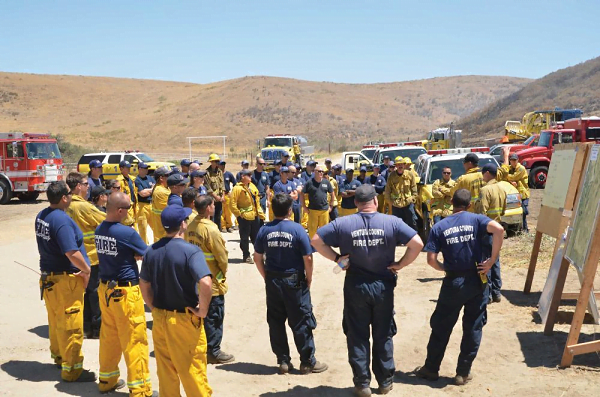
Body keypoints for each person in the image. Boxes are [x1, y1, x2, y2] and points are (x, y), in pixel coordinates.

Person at [311, 184, 423, 397]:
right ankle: (384, 382)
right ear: (375, 201)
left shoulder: (343, 223)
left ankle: (362, 384)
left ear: (356, 203)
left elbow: (316, 240)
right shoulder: (392, 222)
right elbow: (417, 243)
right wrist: (400, 264)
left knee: (358, 335)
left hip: (356, 285)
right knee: (383, 333)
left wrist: (337, 258)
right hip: (383, 286)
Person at [415, 189, 504, 386]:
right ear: (469, 204)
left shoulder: (440, 226)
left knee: (441, 326)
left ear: (451, 203)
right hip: (478, 280)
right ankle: (462, 373)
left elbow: (431, 260)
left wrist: (445, 268)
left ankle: (431, 368)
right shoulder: (478, 219)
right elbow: (499, 230)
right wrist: (491, 261)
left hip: (453, 282)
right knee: (473, 326)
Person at [139, 205, 213, 397]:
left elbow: (143, 282)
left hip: (160, 319)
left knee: (166, 371)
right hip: (184, 320)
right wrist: (203, 311)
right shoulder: (190, 251)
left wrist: (152, 306)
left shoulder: (151, 251)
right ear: (182, 224)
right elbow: (205, 282)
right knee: (191, 370)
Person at [254, 193, 328, 375]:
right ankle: (307, 362)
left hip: (273, 280)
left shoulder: (264, 230)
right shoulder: (297, 230)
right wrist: (309, 278)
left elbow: (257, 257)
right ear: (289, 210)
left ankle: (283, 361)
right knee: (301, 321)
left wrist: (266, 276)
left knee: (276, 321)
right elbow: (308, 257)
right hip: (293, 280)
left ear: (272, 209)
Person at [35, 180, 96, 382]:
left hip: (50, 279)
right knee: (71, 325)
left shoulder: (42, 215)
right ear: (63, 198)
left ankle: (60, 357)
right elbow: (71, 252)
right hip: (65, 281)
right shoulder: (61, 221)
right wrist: (86, 269)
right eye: (69, 194)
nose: (71, 197)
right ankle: (72, 371)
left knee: (56, 321)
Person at [95, 192, 155, 396]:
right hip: (126, 293)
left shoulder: (100, 230)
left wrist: (131, 253)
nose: (129, 212)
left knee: (109, 338)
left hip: (106, 291)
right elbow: (148, 255)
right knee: (135, 340)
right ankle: (141, 389)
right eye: (128, 209)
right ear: (120, 210)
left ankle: (107, 380)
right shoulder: (126, 233)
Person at [186, 195, 235, 365]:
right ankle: (213, 351)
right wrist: (223, 271)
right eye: (213, 204)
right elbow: (221, 256)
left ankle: (202, 347)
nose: (214, 206)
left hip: (196, 279)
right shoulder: (211, 229)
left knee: (201, 315)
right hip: (211, 280)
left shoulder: (190, 225)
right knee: (214, 315)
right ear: (208, 208)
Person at [65, 172, 106, 339]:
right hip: (91, 256)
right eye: (85, 183)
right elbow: (107, 219)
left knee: (84, 293)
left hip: (74, 257)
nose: (88, 186)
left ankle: (86, 326)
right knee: (94, 293)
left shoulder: (66, 205)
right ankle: (97, 329)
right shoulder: (84, 207)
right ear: (78, 187)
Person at [475, 163, 506, 303]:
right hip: (498, 229)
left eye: (483, 173)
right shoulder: (502, 189)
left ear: (487, 173)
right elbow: (504, 210)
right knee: (495, 260)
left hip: (487, 231)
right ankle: (496, 292)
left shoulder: (485, 190)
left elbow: (482, 213)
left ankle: (487, 294)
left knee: (485, 261)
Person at [231, 169, 265, 263]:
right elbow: (232, 204)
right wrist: (239, 215)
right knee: (245, 238)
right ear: (242, 177)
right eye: (248, 175)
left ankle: (259, 254)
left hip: (255, 216)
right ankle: (246, 255)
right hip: (244, 217)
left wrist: (260, 214)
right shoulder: (237, 188)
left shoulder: (252, 186)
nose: (251, 176)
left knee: (256, 236)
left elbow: (257, 201)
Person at [384, 157, 418, 231]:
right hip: (396, 206)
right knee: (396, 225)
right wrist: (391, 202)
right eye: (398, 164)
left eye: (401, 164)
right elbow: (387, 191)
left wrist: (412, 199)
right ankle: (399, 241)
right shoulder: (391, 176)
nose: (400, 166)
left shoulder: (410, 175)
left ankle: (414, 239)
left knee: (412, 223)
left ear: (404, 165)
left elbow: (414, 189)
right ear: (395, 166)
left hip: (408, 204)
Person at [301, 164, 334, 238]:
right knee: (312, 230)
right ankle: (313, 246)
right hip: (312, 210)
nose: (321, 173)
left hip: (324, 210)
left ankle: (323, 245)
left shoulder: (326, 182)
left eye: (322, 171)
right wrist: (304, 207)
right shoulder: (309, 183)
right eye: (319, 171)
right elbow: (302, 194)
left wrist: (331, 206)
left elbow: (332, 193)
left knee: (324, 230)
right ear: (314, 172)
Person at [503, 150, 530, 232]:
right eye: (512, 160)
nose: (513, 162)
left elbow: (513, 177)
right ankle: (521, 229)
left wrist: (507, 176)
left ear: (518, 160)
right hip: (515, 195)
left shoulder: (521, 168)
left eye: (515, 160)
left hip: (523, 194)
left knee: (524, 211)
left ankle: (525, 229)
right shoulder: (510, 168)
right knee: (518, 213)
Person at [134, 162, 155, 244]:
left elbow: (155, 189)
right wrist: (151, 190)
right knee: (143, 228)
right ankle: (145, 246)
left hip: (151, 205)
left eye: (147, 168)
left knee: (155, 226)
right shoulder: (137, 180)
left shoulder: (150, 178)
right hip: (142, 206)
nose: (147, 170)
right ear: (139, 169)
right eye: (145, 168)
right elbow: (142, 194)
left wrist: (148, 190)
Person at [150, 167, 171, 243]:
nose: (170, 177)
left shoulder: (164, 188)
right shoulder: (161, 192)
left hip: (162, 228)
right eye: (168, 175)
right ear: (161, 178)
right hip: (162, 230)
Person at [205, 153, 225, 231]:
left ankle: (218, 231)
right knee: (211, 217)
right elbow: (208, 187)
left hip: (219, 199)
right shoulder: (207, 173)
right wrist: (215, 196)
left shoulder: (220, 172)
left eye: (217, 161)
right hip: (212, 199)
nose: (217, 163)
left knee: (218, 216)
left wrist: (222, 196)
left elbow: (222, 185)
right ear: (211, 162)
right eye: (215, 161)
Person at [116, 161, 138, 228]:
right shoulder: (119, 181)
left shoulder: (132, 179)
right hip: (126, 208)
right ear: (121, 168)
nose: (129, 169)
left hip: (134, 207)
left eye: (129, 167)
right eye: (127, 167)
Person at [220, 161, 236, 232]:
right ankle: (223, 226)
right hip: (219, 195)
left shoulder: (228, 174)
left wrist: (232, 192)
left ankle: (229, 226)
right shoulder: (217, 175)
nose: (222, 166)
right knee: (222, 212)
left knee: (228, 212)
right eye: (221, 164)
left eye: (223, 164)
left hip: (227, 195)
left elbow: (235, 183)